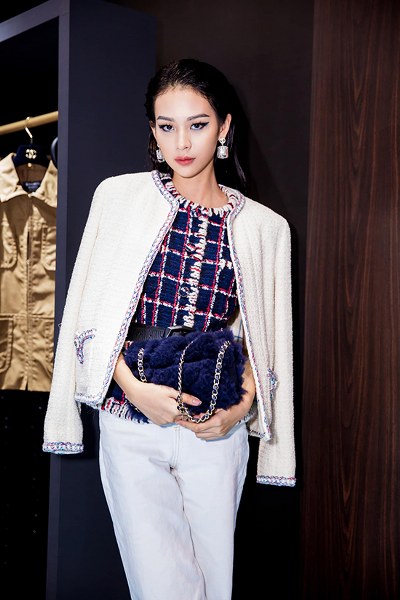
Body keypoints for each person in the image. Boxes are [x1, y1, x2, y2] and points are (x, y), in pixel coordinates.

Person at [43, 58, 296, 600]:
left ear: (224, 127)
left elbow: (263, 340)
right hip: (131, 420)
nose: (182, 141)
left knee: (215, 585)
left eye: (197, 124)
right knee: (161, 587)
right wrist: (135, 390)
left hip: (216, 427)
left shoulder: (265, 228)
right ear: (153, 132)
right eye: (167, 125)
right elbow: (89, 309)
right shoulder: (118, 197)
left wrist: (237, 410)